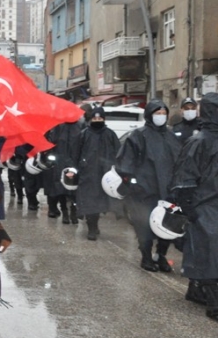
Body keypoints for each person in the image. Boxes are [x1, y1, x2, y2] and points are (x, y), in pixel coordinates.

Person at [115, 99, 182, 272]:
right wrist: (134, 182)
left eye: (163, 113)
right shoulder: (138, 135)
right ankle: (146, 256)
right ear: (149, 115)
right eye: (157, 113)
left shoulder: (171, 136)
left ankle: (161, 255)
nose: (161, 117)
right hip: (144, 191)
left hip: (167, 190)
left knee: (167, 224)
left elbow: (180, 161)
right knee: (143, 224)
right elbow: (125, 162)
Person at [170, 92, 218, 318]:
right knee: (208, 251)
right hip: (204, 205)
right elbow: (186, 176)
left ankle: (195, 288)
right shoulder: (199, 142)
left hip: (209, 205)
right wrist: (187, 205)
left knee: (205, 250)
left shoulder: (200, 140)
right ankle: (213, 300)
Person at [68, 106, 120, 240]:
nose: (97, 120)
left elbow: (118, 152)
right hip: (88, 174)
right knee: (89, 201)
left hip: (105, 175)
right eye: (95, 118)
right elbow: (75, 153)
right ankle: (91, 227)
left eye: (100, 118)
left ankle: (94, 225)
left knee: (100, 201)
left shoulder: (110, 134)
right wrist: (76, 169)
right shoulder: (84, 134)